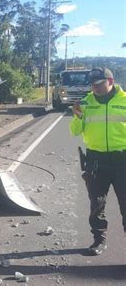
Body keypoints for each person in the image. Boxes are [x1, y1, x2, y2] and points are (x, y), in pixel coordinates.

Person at [70, 67, 126, 255]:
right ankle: (99, 240)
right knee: (97, 204)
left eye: (100, 84)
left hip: (123, 160)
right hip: (96, 160)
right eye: (93, 85)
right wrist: (77, 116)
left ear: (111, 81)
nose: (96, 88)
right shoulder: (85, 103)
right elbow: (75, 131)